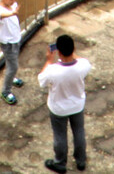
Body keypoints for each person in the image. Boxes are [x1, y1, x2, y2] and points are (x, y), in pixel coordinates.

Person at [38, 34, 92, 173]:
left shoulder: (53, 70)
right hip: (77, 105)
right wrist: (72, 53)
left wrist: (49, 60)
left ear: (59, 52)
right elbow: (82, 61)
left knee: (60, 136)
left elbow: (41, 80)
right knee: (79, 132)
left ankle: (60, 163)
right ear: (73, 49)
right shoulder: (83, 65)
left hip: (59, 108)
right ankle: (81, 161)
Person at [0, 0, 25, 105]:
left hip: (15, 38)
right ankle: (5, 92)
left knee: (12, 62)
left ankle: (11, 78)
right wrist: (12, 13)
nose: (13, 1)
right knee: (13, 66)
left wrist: (13, 9)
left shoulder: (12, 4)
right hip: (8, 43)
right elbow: (1, 15)